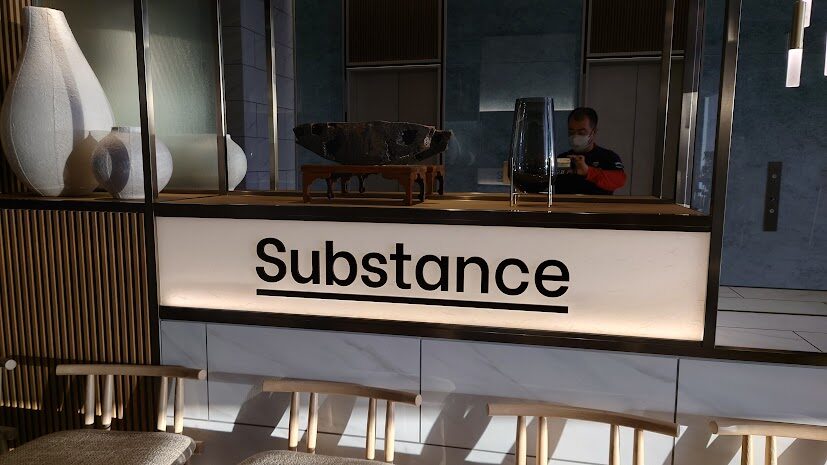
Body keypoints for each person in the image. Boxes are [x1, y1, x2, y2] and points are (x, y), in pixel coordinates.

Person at [555, 107, 627, 195]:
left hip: (597, 204)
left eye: (581, 133)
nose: (575, 137)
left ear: (594, 132)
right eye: (571, 132)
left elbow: (619, 180)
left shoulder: (607, 157)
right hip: (566, 204)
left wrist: (588, 171)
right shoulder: (563, 159)